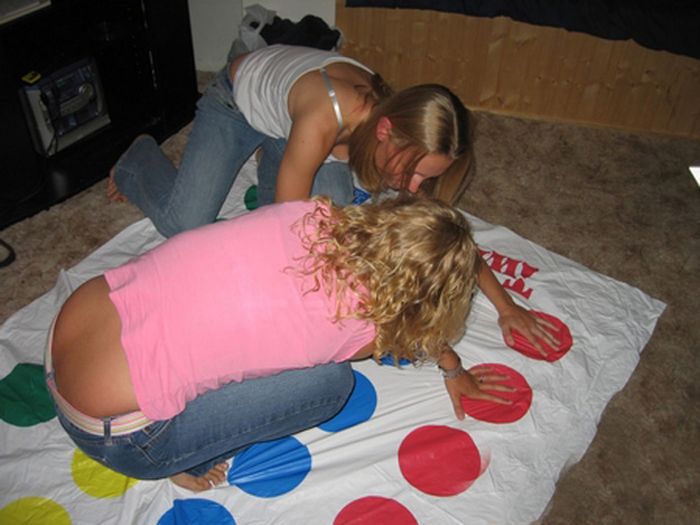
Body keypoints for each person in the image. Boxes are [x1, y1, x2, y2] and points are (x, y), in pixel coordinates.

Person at [108, 43, 556, 355]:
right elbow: (284, 231)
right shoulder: (329, 115)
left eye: (426, 177)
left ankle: (279, 152)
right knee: (187, 224)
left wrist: (507, 307)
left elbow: (445, 233)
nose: (414, 187)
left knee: (332, 214)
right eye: (413, 170)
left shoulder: (398, 137)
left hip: (291, 123)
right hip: (236, 103)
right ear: (385, 131)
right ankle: (137, 160)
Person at [46, 195, 509, 492]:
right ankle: (176, 457)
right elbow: (407, 336)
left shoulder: (312, 213)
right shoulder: (358, 330)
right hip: (119, 436)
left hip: (70, 327)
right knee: (331, 384)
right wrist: (452, 366)